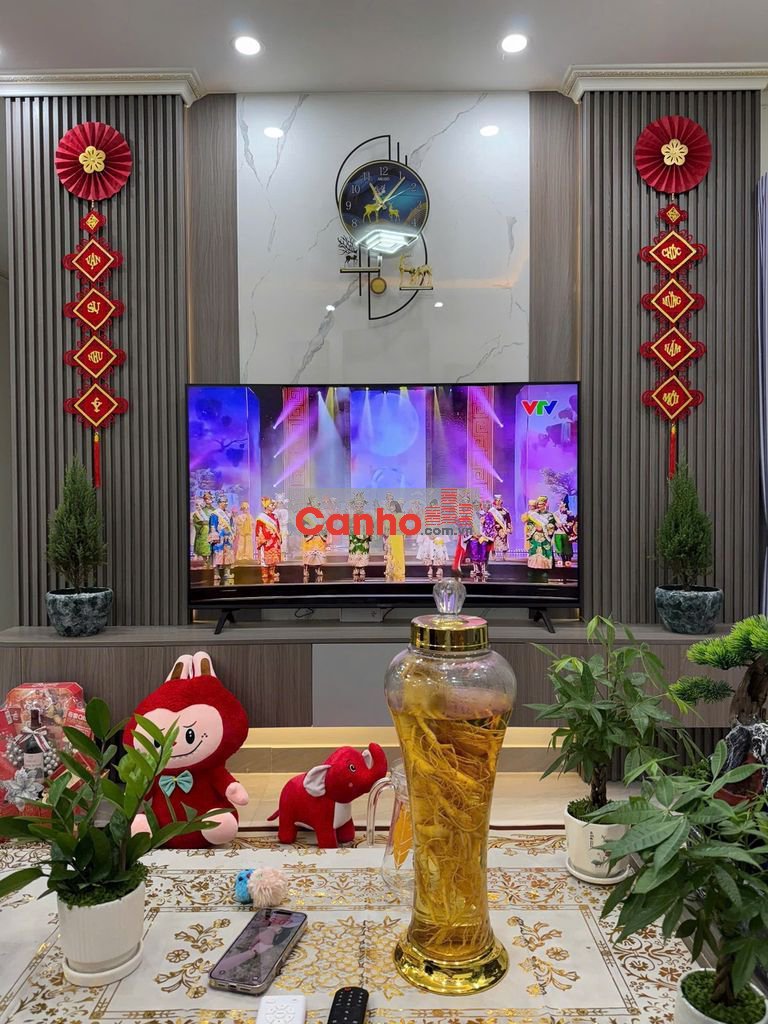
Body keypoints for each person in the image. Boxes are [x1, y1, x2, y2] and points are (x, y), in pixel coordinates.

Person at [208, 495, 235, 586]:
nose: (225, 503)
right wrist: (214, 537)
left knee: (228, 555)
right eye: (223, 502)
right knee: (217, 554)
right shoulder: (215, 514)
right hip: (219, 538)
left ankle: (227, 573)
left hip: (227, 538)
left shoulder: (228, 514)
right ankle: (216, 574)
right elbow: (213, 526)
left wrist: (232, 534)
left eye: (226, 502)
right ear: (219, 503)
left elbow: (232, 525)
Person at [255, 497, 283, 584]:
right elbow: (258, 529)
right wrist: (262, 539)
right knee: (264, 556)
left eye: (273, 505)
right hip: (266, 541)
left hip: (274, 540)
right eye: (271, 505)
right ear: (266, 506)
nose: (273, 506)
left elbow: (278, 528)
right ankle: (265, 572)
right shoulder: (261, 517)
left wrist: (279, 537)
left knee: (274, 556)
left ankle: (272, 571)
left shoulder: (275, 516)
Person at [525, 495, 556, 571]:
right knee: (535, 549)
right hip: (535, 535)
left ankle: (545, 566)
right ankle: (534, 566)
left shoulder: (550, 515)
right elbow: (529, 524)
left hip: (544, 536)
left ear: (544, 504)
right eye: (538, 504)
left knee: (545, 549)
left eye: (541, 504)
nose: (539, 506)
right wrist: (534, 527)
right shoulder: (534, 514)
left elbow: (551, 525)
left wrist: (543, 528)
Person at [483, 494, 512, 561]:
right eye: (497, 501)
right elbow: (488, 521)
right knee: (493, 543)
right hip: (493, 529)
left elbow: (508, 521)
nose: (498, 503)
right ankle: (493, 556)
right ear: (494, 502)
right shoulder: (491, 511)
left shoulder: (505, 511)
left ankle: (505, 556)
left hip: (502, 529)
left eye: (500, 501)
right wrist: (494, 525)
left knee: (504, 543)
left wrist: (508, 528)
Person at [191, 498, 212, 564]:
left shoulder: (206, 512)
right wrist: (205, 523)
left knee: (209, 548)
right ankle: (204, 562)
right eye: (197, 505)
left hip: (208, 533)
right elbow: (198, 522)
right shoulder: (195, 514)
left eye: (200, 505)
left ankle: (209, 562)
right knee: (203, 549)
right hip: (201, 534)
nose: (199, 507)